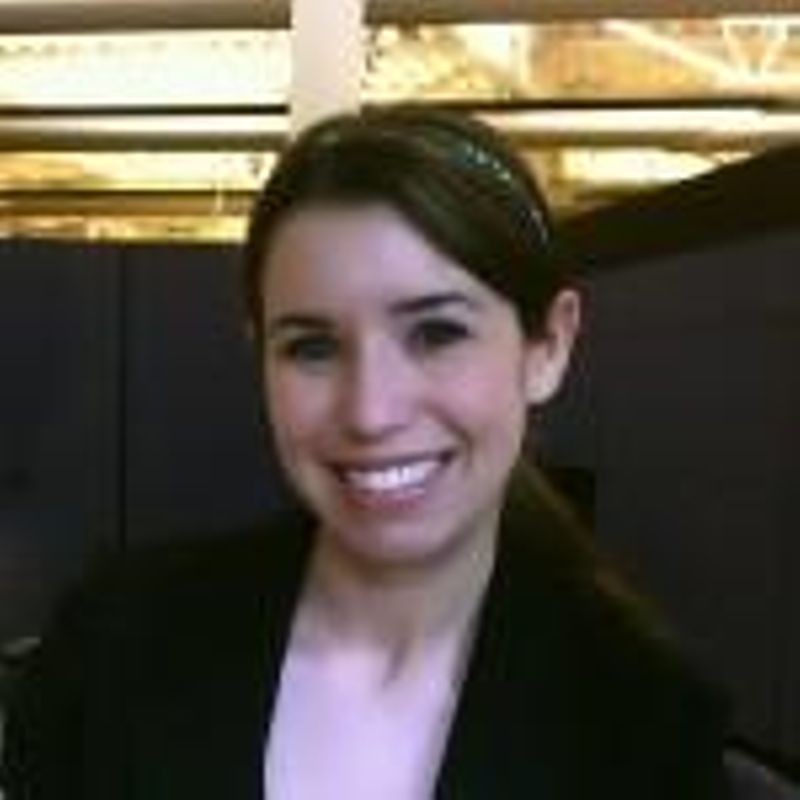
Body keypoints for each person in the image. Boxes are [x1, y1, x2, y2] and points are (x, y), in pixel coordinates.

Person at [0, 106, 728, 799]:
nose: (371, 412)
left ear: (548, 347)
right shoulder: (114, 652)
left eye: (437, 333)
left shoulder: (641, 723)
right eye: (312, 347)